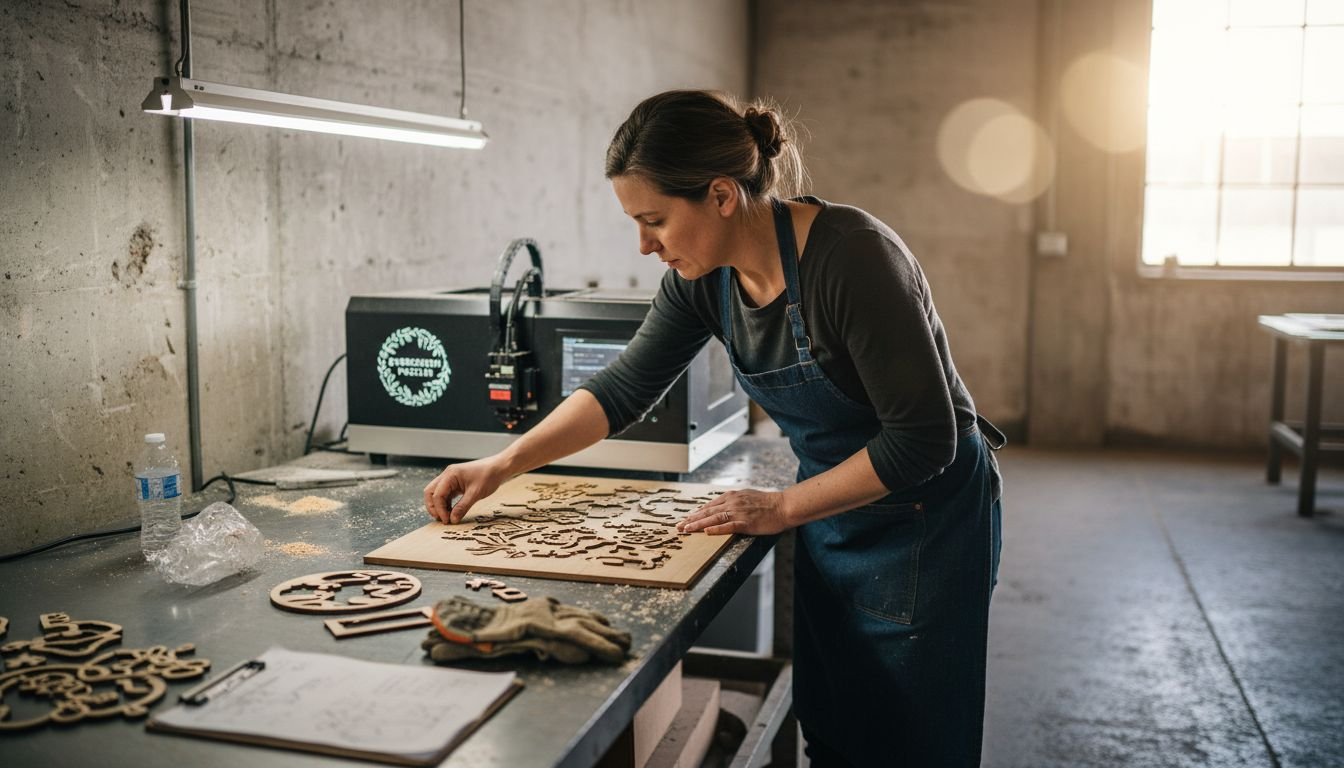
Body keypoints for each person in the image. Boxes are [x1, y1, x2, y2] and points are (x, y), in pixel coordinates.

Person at [425, 89, 1004, 767]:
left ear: (723, 197)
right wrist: (502, 465)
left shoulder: (853, 260)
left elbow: (922, 440)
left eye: (656, 220)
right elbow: (622, 388)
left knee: (911, 743)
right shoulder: (704, 279)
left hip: (924, 522)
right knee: (837, 727)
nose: (645, 245)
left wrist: (785, 505)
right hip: (836, 510)